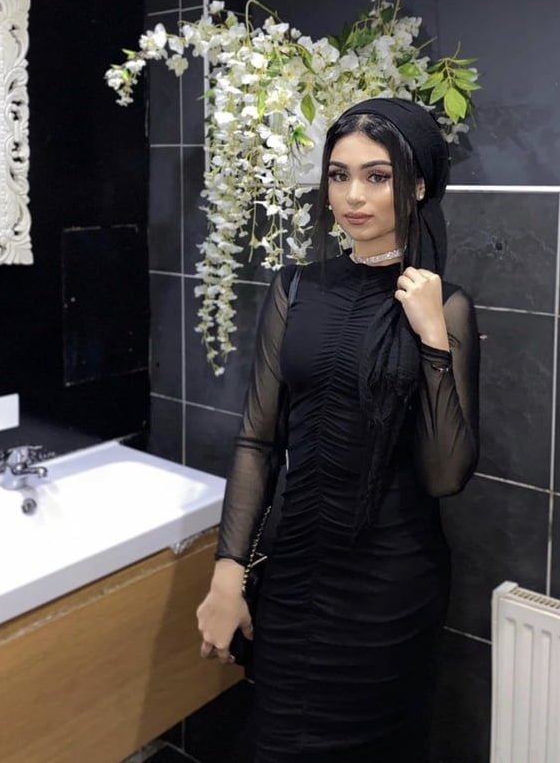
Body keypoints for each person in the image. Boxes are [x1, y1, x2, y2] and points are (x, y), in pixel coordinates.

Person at [196, 97, 480, 763]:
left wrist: (432, 336)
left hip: (392, 590)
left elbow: (446, 474)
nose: (353, 196)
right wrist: (227, 574)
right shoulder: (295, 289)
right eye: (338, 174)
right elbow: (257, 441)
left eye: (377, 177)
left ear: (417, 186)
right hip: (297, 575)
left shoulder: (447, 306)